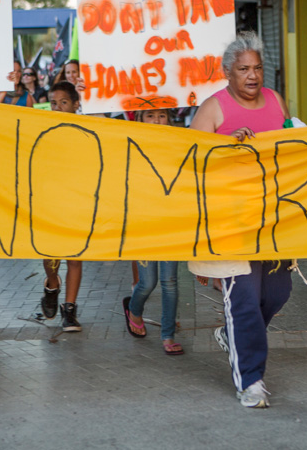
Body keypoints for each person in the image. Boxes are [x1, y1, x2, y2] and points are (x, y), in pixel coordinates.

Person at [189, 32, 293, 409]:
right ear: (227, 73)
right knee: (245, 301)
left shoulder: (275, 100)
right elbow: (190, 162)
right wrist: (225, 145)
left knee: (279, 293)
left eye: (258, 68)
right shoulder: (212, 108)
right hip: (230, 221)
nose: (253, 76)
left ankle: (233, 336)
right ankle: (251, 381)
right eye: (244, 69)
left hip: (274, 219)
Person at [123, 108, 183, 355]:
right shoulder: (130, 142)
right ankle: (134, 309)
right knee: (148, 282)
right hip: (143, 223)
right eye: (150, 115)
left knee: (170, 282)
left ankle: (167, 336)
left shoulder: (178, 143)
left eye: (161, 115)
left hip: (171, 222)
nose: (157, 120)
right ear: (139, 118)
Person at [39, 81, 84, 331]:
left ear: (76, 105)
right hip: (50, 203)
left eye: (63, 103)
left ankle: (69, 310)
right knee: (51, 257)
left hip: (77, 201)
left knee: (76, 258)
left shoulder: (86, 128)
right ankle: (52, 285)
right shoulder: (43, 129)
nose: (57, 108)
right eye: (53, 103)